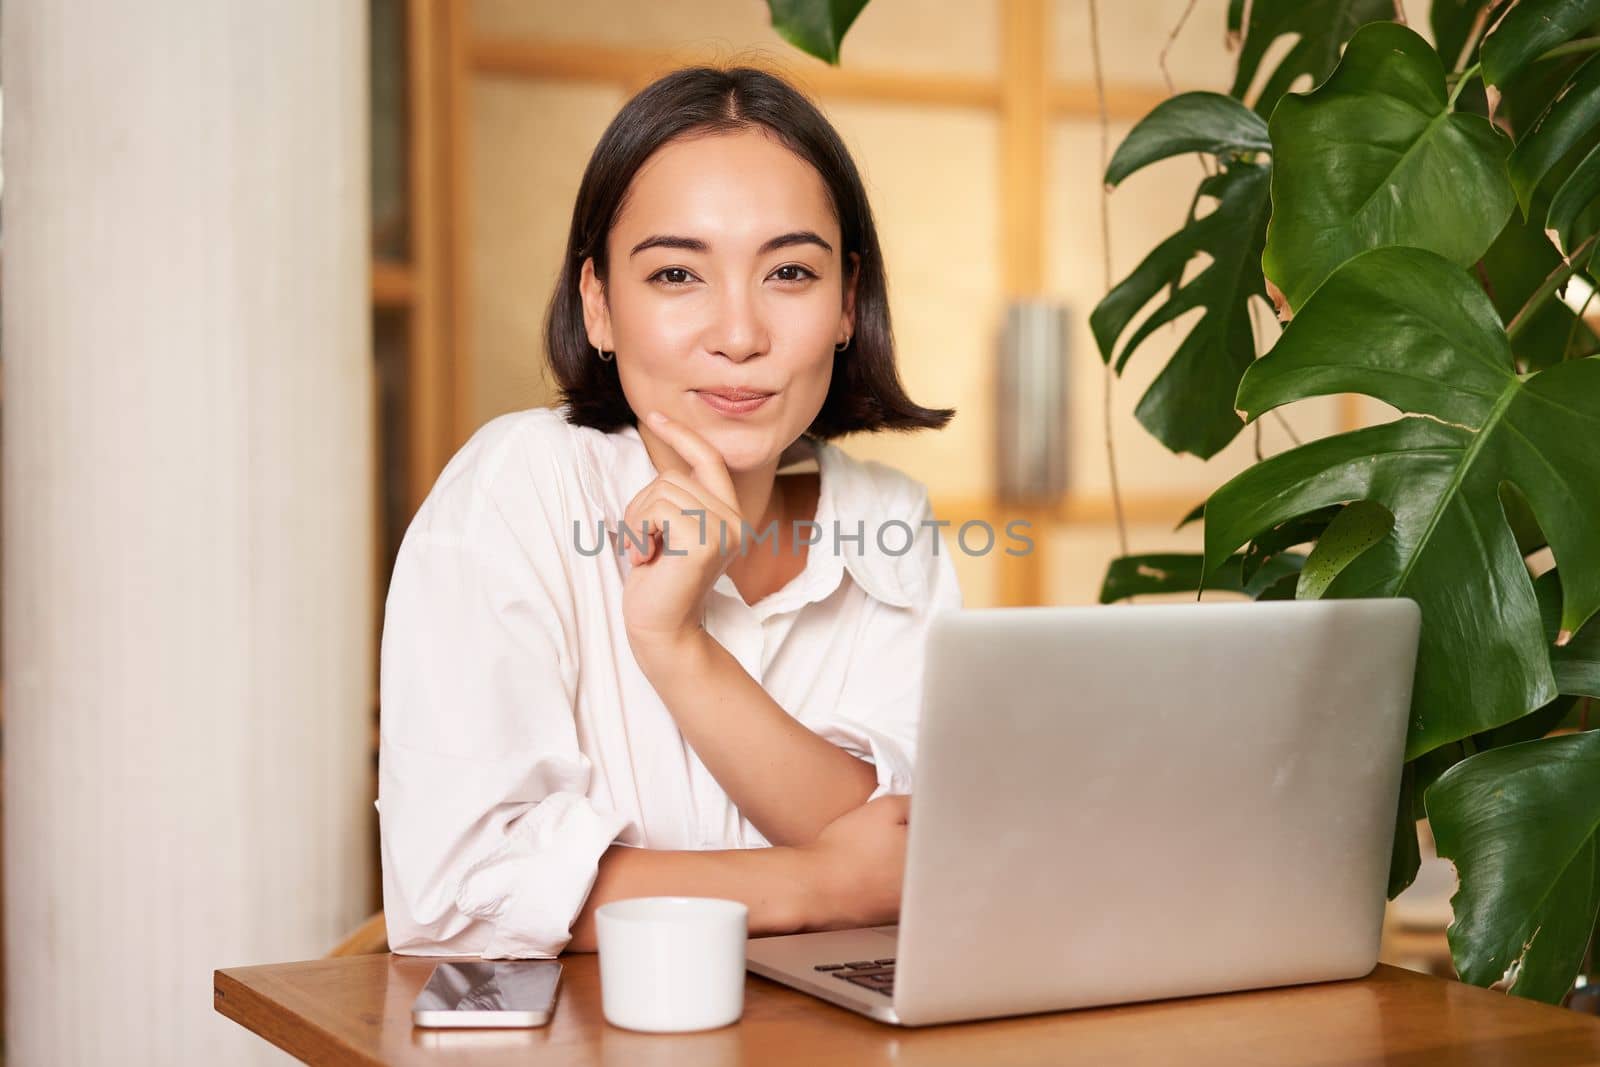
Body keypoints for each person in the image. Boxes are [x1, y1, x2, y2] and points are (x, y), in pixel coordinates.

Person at [377, 65, 961, 959]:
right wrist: (817, 884)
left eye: (791, 272)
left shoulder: (889, 518)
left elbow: (911, 850)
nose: (738, 334)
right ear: (599, 305)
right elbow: (457, 894)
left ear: (847, 303)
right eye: (678, 273)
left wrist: (678, 650)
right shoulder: (517, 488)